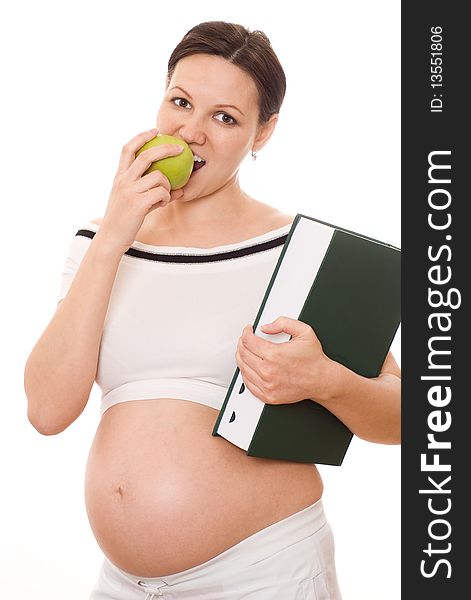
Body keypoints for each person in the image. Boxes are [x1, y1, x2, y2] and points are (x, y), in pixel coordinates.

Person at [24, 20, 400, 600]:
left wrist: (324, 380)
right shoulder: (100, 241)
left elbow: (405, 418)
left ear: (263, 133)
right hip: (123, 585)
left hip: (266, 575)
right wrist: (112, 238)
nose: (191, 132)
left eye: (225, 117)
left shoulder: (298, 250)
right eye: (180, 102)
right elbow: (47, 410)